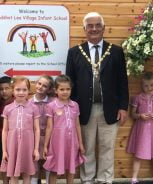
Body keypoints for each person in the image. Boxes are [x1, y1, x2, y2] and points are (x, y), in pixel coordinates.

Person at [66, 12, 129, 184]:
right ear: (84, 29)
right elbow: (69, 82)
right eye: (90, 26)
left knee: (107, 147)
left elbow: (123, 81)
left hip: (111, 108)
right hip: (83, 110)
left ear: (104, 28)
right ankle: (87, 179)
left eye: (97, 25)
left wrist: (123, 106)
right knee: (86, 147)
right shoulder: (74, 53)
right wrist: (71, 110)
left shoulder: (116, 52)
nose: (94, 29)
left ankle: (105, 179)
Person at [43, 75, 85, 184]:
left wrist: (80, 144)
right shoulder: (51, 106)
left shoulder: (75, 105)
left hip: (72, 143)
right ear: (55, 90)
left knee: (71, 168)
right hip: (57, 143)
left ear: (71, 90)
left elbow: (77, 125)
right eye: (61, 89)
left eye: (68, 89)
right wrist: (46, 145)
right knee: (54, 168)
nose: (65, 92)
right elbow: (49, 127)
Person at [127, 72, 153, 184]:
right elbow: (132, 114)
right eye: (146, 85)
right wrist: (140, 116)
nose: (149, 88)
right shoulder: (137, 98)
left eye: (152, 85)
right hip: (142, 128)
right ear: (141, 86)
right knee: (138, 153)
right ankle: (134, 178)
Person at [1, 76, 40, 184]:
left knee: (27, 174)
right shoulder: (7, 108)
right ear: (13, 90)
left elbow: (36, 129)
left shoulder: (33, 108)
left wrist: (36, 149)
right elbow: (5, 130)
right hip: (12, 147)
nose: (21, 92)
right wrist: (4, 150)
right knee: (13, 175)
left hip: (28, 147)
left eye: (24, 89)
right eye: (18, 89)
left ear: (28, 91)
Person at [30, 75, 54, 184]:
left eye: (44, 86)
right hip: (34, 138)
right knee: (34, 162)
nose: (40, 87)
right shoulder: (28, 103)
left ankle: (48, 181)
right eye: (39, 83)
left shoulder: (53, 103)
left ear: (49, 89)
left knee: (49, 162)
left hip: (50, 138)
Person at [0, 76, 14, 184]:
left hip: (12, 138)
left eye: (7, 88)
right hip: (1, 138)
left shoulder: (16, 102)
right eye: (1, 89)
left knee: (9, 162)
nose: (4, 91)